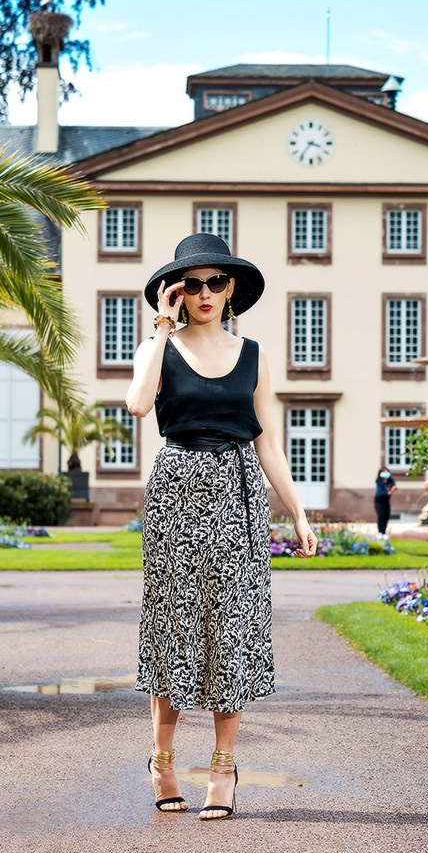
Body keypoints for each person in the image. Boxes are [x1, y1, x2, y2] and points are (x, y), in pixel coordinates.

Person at [126, 233, 318, 821]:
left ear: (230, 289)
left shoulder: (255, 356)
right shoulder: (158, 347)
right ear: (174, 292)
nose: (204, 293)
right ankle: (161, 761)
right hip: (177, 493)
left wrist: (299, 514)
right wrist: (160, 331)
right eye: (191, 284)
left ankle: (222, 769)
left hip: (239, 497)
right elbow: (137, 404)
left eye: (215, 283)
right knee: (175, 628)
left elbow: (270, 447)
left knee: (231, 630)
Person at [374, 466, 396, 543]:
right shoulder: (379, 482)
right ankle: (380, 532)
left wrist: (392, 490)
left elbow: (394, 486)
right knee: (381, 516)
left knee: (386, 516)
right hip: (379, 501)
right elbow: (380, 493)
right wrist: (390, 492)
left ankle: (384, 532)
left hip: (386, 501)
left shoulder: (390, 481)